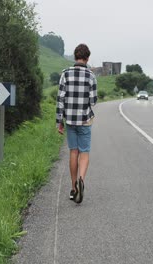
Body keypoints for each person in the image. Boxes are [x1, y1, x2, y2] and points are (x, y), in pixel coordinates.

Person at [56, 44, 97, 204]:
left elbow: (60, 99)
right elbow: (93, 101)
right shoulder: (91, 75)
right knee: (84, 152)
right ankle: (81, 179)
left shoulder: (65, 74)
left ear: (75, 57)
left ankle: (73, 188)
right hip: (85, 119)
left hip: (70, 120)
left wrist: (59, 121)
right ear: (87, 58)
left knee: (73, 152)